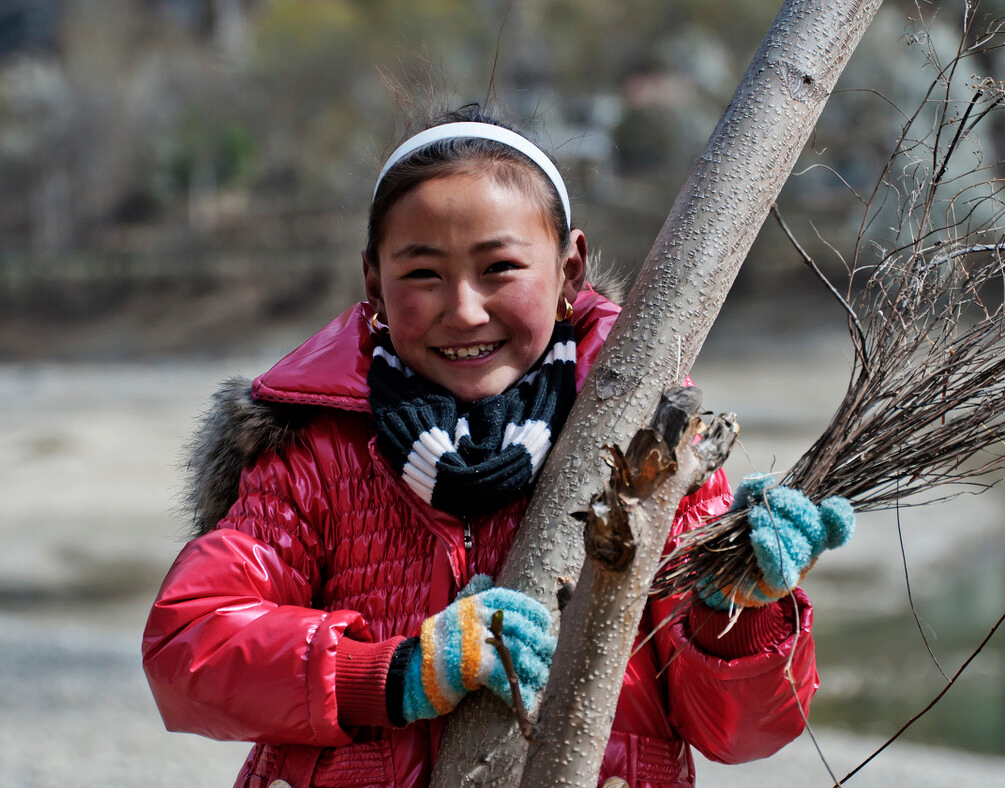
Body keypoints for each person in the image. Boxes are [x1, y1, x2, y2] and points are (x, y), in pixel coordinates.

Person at [142, 105, 836, 788]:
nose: (465, 309)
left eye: (499, 267)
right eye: (422, 274)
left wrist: (743, 607)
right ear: (374, 284)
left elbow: (741, 732)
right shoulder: (321, 456)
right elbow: (188, 647)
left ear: (570, 271)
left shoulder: (650, 454)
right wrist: (393, 674)